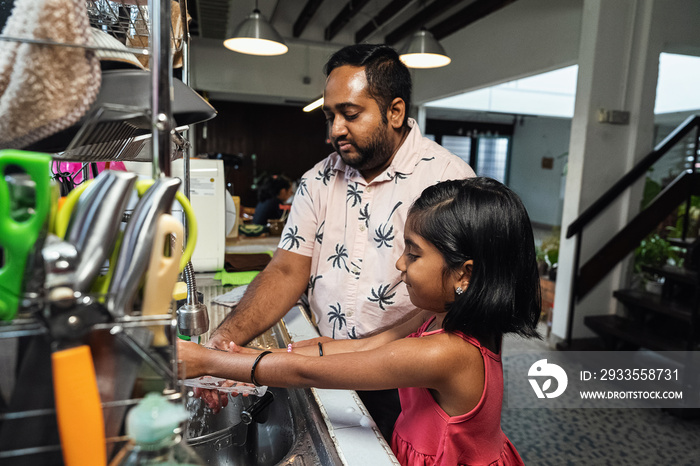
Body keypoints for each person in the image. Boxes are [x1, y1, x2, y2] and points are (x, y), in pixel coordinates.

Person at [200, 44, 475, 435]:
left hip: (408, 379)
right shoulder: (318, 179)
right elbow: (286, 268)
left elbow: (454, 299)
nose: (335, 130)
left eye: (350, 114)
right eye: (330, 115)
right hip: (325, 357)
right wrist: (225, 340)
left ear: (395, 112)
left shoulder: (447, 183)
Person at [179, 178, 541, 466]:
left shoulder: (446, 353)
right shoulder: (436, 316)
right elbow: (362, 345)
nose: (400, 264)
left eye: (413, 254)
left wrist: (208, 360)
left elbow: (308, 373)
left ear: (464, 274)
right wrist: (248, 357)